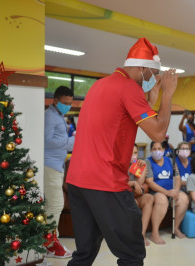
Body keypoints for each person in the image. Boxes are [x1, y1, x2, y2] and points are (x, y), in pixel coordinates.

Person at [66, 38, 178, 265]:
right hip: (105, 181)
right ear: (142, 67)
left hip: (78, 180)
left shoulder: (101, 84)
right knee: (132, 254)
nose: (154, 79)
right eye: (153, 73)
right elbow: (158, 134)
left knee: (84, 254)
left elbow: (120, 116)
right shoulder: (129, 88)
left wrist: (150, 100)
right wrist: (167, 94)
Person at [44, 85, 75, 258]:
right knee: (56, 205)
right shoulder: (50, 116)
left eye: (70, 103)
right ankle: (50, 244)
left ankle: (50, 240)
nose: (68, 105)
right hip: (50, 166)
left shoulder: (58, 116)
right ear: (55, 100)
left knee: (52, 205)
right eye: (65, 102)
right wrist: (67, 141)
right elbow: (45, 140)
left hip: (56, 165)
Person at [145, 141, 189, 244]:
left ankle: (176, 228)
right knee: (162, 199)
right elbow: (150, 183)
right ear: (151, 151)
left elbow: (177, 178)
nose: (157, 151)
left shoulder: (171, 160)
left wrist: (176, 191)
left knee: (184, 198)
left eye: (159, 149)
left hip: (172, 190)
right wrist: (167, 192)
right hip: (156, 192)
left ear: (164, 150)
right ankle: (154, 233)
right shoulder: (148, 162)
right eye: (154, 149)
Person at [128, 144, 154, 246]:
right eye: (130, 153)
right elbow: (118, 183)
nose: (133, 156)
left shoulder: (138, 164)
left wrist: (142, 168)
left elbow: (139, 184)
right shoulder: (119, 164)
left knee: (149, 198)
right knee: (131, 202)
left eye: (135, 153)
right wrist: (132, 183)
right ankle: (131, 236)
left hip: (134, 194)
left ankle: (142, 234)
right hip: (123, 196)